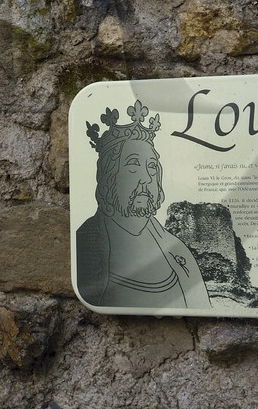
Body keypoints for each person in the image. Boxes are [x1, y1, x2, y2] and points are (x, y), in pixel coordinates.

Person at [75, 101, 213, 310]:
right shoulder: (87, 241)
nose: (146, 178)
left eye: (151, 166)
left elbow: (201, 307)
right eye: (133, 165)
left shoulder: (176, 250)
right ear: (108, 177)